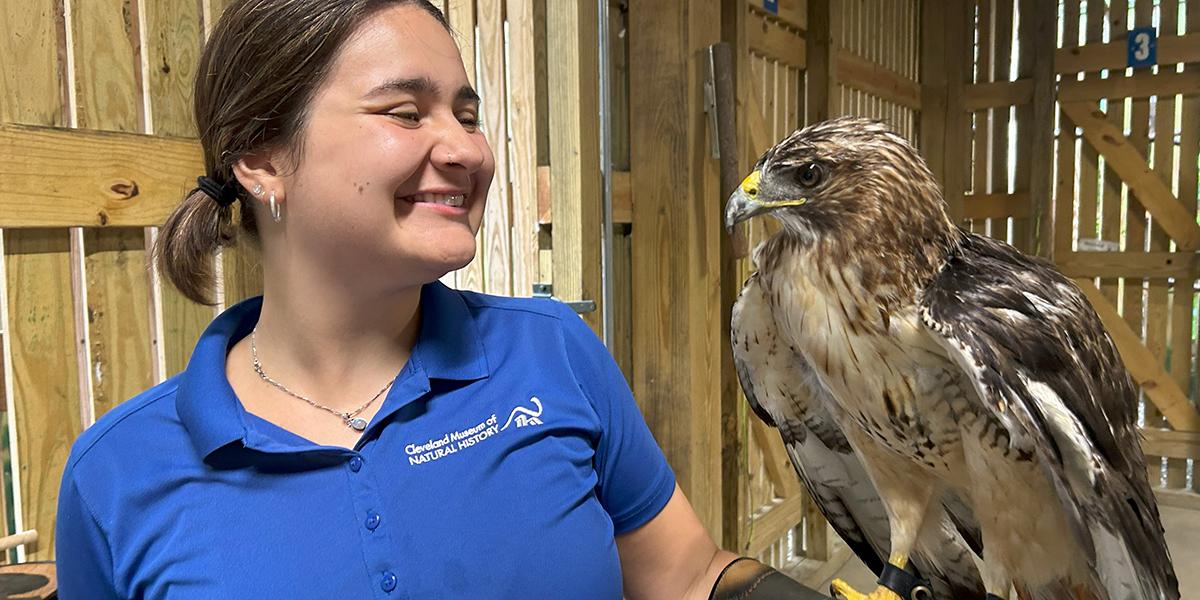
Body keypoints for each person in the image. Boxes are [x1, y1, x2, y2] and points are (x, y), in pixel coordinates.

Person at [55, 1, 825, 597]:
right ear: (260, 158)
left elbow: (687, 578)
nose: (467, 150)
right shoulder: (118, 476)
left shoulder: (552, 355)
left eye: (467, 113)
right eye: (404, 112)